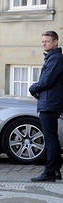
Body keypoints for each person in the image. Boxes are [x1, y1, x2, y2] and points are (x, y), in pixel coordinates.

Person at [29, 31, 63, 182]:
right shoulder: (52, 58)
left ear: (55, 42)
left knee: (50, 140)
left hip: (50, 104)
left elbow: (47, 81)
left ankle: (49, 172)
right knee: (52, 138)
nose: (43, 43)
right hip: (49, 102)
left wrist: (33, 87)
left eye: (47, 41)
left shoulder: (56, 58)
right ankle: (55, 170)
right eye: (42, 41)